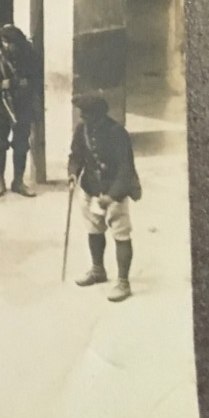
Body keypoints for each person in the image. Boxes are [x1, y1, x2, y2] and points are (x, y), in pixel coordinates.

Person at [69, 93, 143, 303]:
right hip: (90, 188)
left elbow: (125, 169)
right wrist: (73, 173)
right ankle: (98, 270)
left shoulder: (117, 133)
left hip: (114, 191)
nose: (83, 118)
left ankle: (123, 282)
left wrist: (111, 197)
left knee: (120, 233)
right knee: (94, 229)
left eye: (87, 115)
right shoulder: (81, 130)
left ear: (99, 115)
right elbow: (75, 155)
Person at [0, 23, 41, 197]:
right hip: (1, 106)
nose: (8, 47)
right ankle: (0, 181)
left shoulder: (29, 57)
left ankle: (18, 181)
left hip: (22, 106)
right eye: (5, 42)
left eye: (11, 43)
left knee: (21, 144)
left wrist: (26, 84)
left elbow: (37, 77)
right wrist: (0, 85)